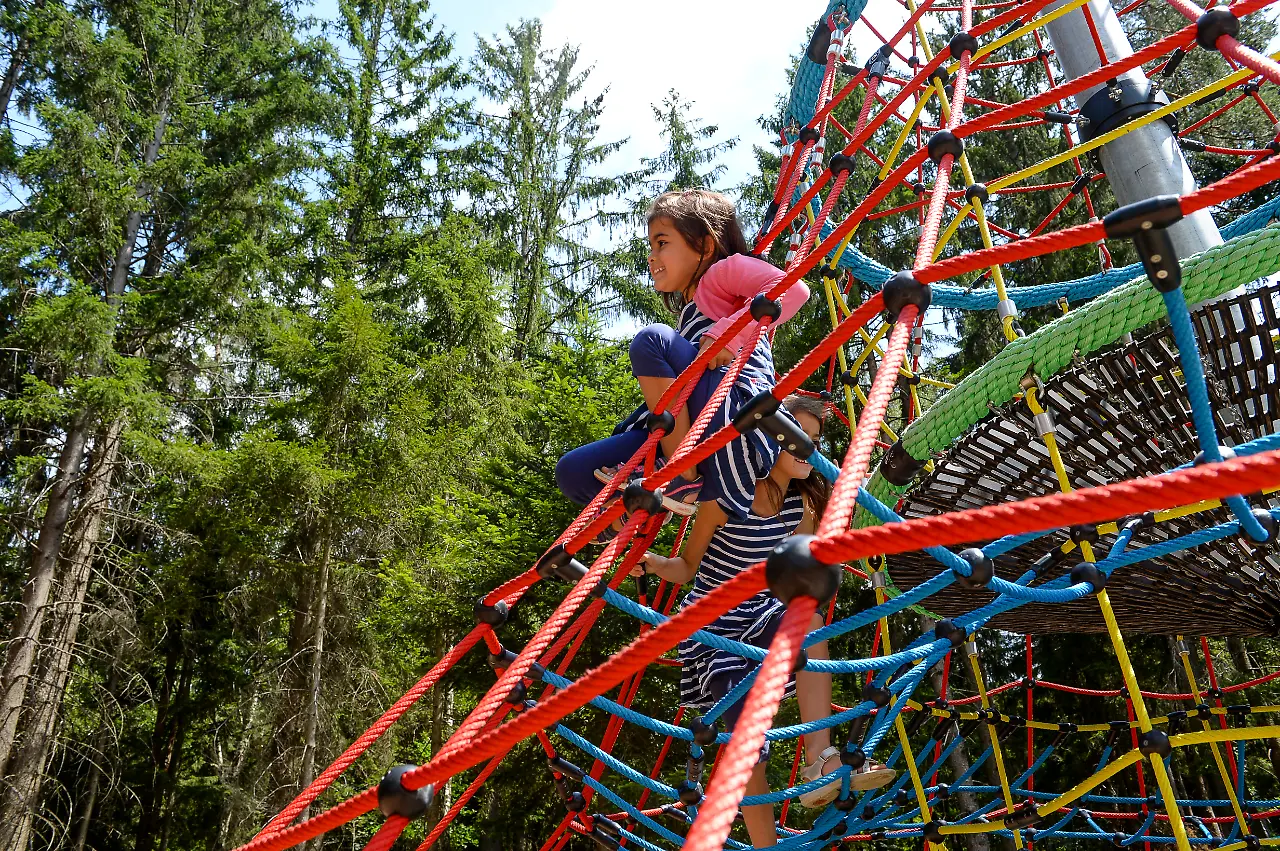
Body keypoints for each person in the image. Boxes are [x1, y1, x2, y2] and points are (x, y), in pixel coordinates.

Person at [634, 395, 895, 847]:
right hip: (712, 627)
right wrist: (654, 563)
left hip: (759, 615)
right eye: (796, 438)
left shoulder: (802, 508)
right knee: (746, 743)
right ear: (769, 440)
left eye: (813, 441)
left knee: (811, 622)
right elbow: (686, 568)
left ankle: (821, 757)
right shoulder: (728, 498)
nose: (807, 449)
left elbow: (806, 572)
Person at [555, 190, 810, 538]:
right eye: (651, 246)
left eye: (662, 242)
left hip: (738, 420)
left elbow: (794, 291)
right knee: (573, 471)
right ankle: (636, 516)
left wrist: (726, 335)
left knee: (652, 339)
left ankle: (678, 475)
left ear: (705, 246)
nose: (652, 255)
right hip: (713, 465)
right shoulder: (691, 314)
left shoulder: (722, 273)